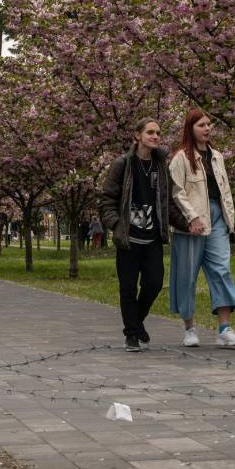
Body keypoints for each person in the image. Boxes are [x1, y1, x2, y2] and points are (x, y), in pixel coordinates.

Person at [168, 109, 235, 348]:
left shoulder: (217, 156)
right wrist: (191, 217)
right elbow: (177, 192)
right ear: (190, 128)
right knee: (186, 275)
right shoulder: (180, 158)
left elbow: (225, 191)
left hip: (217, 218)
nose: (207, 128)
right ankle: (189, 329)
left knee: (222, 269)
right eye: (201, 124)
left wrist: (229, 220)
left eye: (209, 124)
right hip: (192, 222)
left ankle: (225, 329)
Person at [98, 118, 171, 353]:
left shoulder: (161, 165)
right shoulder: (122, 164)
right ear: (137, 135)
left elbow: (167, 201)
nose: (155, 136)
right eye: (150, 132)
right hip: (129, 239)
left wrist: (189, 222)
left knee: (154, 284)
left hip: (152, 239)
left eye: (158, 132)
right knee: (128, 288)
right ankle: (131, 334)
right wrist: (116, 225)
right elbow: (107, 200)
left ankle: (136, 323)